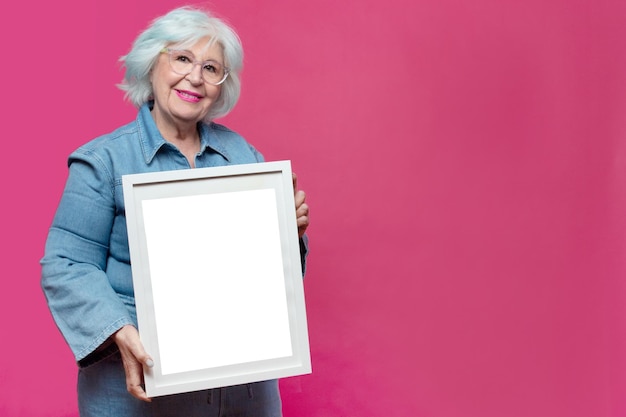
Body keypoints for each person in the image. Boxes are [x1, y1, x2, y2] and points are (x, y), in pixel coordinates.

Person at [40, 6, 309, 417]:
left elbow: (268, 280)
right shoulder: (104, 161)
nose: (195, 77)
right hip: (137, 387)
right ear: (152, 64)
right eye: (182, 58)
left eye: (211, 67)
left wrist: (288, 237)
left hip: (241, 393)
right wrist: (117, 329)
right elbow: (66, 263)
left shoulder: (245, 158)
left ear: (223, 84)